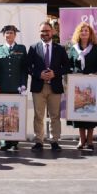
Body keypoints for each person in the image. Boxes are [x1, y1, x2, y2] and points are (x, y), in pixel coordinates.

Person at [28, 21, 69, 152]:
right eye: (42, 31)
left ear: (52, 32)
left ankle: (54, 140)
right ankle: (39, 141)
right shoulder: (33, 48)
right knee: (38, 115)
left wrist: (55, 73)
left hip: (55, 86)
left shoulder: (60, 49)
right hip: (38, 86)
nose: (44, 33)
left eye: (47, 31)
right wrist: (38, 74)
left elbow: (67, 66)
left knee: (55, 115)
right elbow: (28, 66)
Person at [67, 22, 97, 151]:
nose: (84, 33)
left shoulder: (96, 48)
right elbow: (69, 65)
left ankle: (90, 139)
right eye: (82, 31)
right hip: (77, 84)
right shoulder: (73, 49)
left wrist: (96, 73)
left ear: (90, 34)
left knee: (91, 112)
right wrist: (73, 75)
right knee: (79, 113)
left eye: (86, 31)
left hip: (92, 84)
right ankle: (81, 139)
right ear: (78, 33)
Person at [0, 25, 28, 151]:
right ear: (4, 35)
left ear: (15, 35)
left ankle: (14, 142)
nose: (9, 35)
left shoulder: (21, 48)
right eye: (7, 33)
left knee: (14, 114)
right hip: (2, 86)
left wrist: (23, 83)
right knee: (3, 114)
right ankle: (4, 141)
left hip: (16, 87)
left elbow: (24, 68)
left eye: (11, 33)